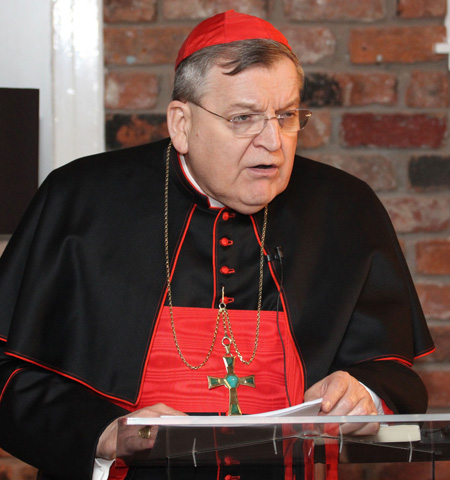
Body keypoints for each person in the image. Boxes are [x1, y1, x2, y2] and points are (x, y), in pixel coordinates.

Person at [0, 10, 434, 480]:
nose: (273, 141)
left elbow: (392, 371)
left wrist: (364, 394)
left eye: (287, 116)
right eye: (243, 118)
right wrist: (103, 434)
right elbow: (9, 376)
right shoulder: (79, 201)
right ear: (182, 123)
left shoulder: (347, 208)